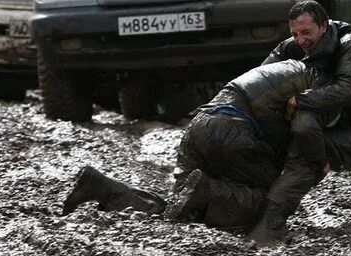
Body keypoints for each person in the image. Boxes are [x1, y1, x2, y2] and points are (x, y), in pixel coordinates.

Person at [61, 60, 333, 232]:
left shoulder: (280, 67)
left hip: (197, 128)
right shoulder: (313, 86)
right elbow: (293, 131)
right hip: (233, 131)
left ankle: (104, 188)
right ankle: (207, 191)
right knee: (266, 202)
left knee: (175, 212)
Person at [246, 0, 351, 244]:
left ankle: (267, 228)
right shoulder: (293, 47)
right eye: (295, 34)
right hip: (338, 122)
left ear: (324, 26)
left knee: (303, 153)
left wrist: (300, 100)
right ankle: (242, 208)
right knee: (283, 138)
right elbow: (260, 79)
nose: (301, 40)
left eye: (307, 32)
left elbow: (350, 89)